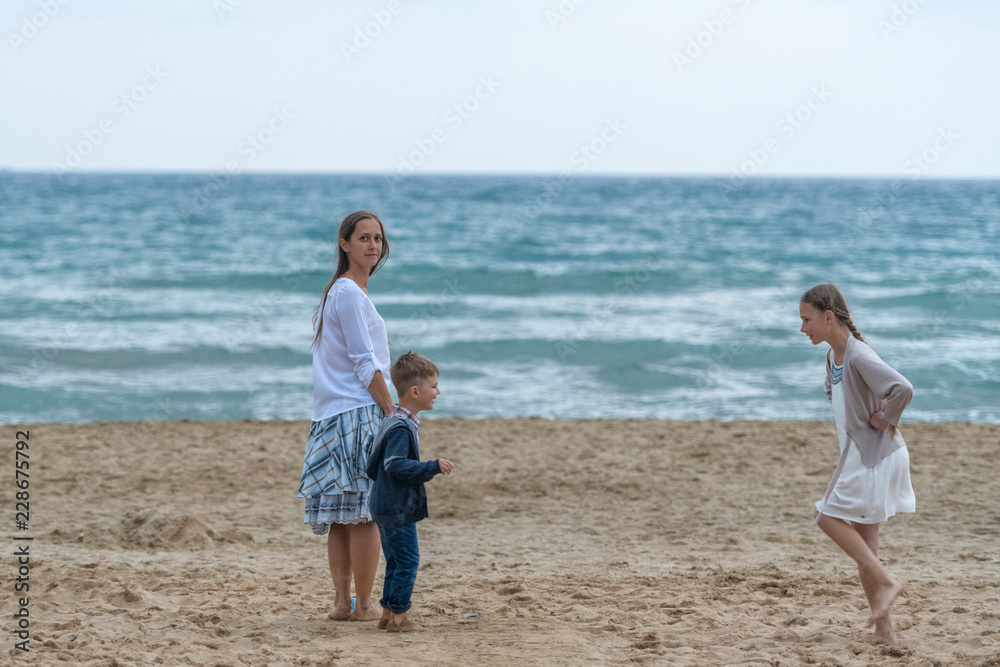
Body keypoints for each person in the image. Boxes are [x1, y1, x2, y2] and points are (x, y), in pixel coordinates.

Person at [799, 283, 916, 645]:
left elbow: (903, 388)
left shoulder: (858, 354)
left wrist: (885, 419)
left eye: (807, 320)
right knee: (866, 544)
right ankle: (885, 633)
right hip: (869, 456)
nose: (803, 328)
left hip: (870, 458)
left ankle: (885, 581)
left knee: (825, 516)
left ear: (828, 316)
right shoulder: (834, 356)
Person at [297, 211, 394, 622]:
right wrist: (393, 412)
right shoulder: (350, 293)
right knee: (367, 516)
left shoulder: (336, 292)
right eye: (363, 238)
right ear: (345, 244)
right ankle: (365, 606)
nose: (372, 246)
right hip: (356, 415)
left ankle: (342, 604)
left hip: (331, 417)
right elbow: (363, 362)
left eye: (377, 238)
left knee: (341, 516)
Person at [366, 351, 453, 632]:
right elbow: (395, 465)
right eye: (434, 386)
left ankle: (387, 614)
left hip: (383, 502)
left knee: (395, 561)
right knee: (408, 561)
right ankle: (400, 619)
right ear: (415, 391)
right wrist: (431, 467)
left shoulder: (393, 419)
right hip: (395, 505)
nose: (438, 392)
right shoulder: (401, 427)